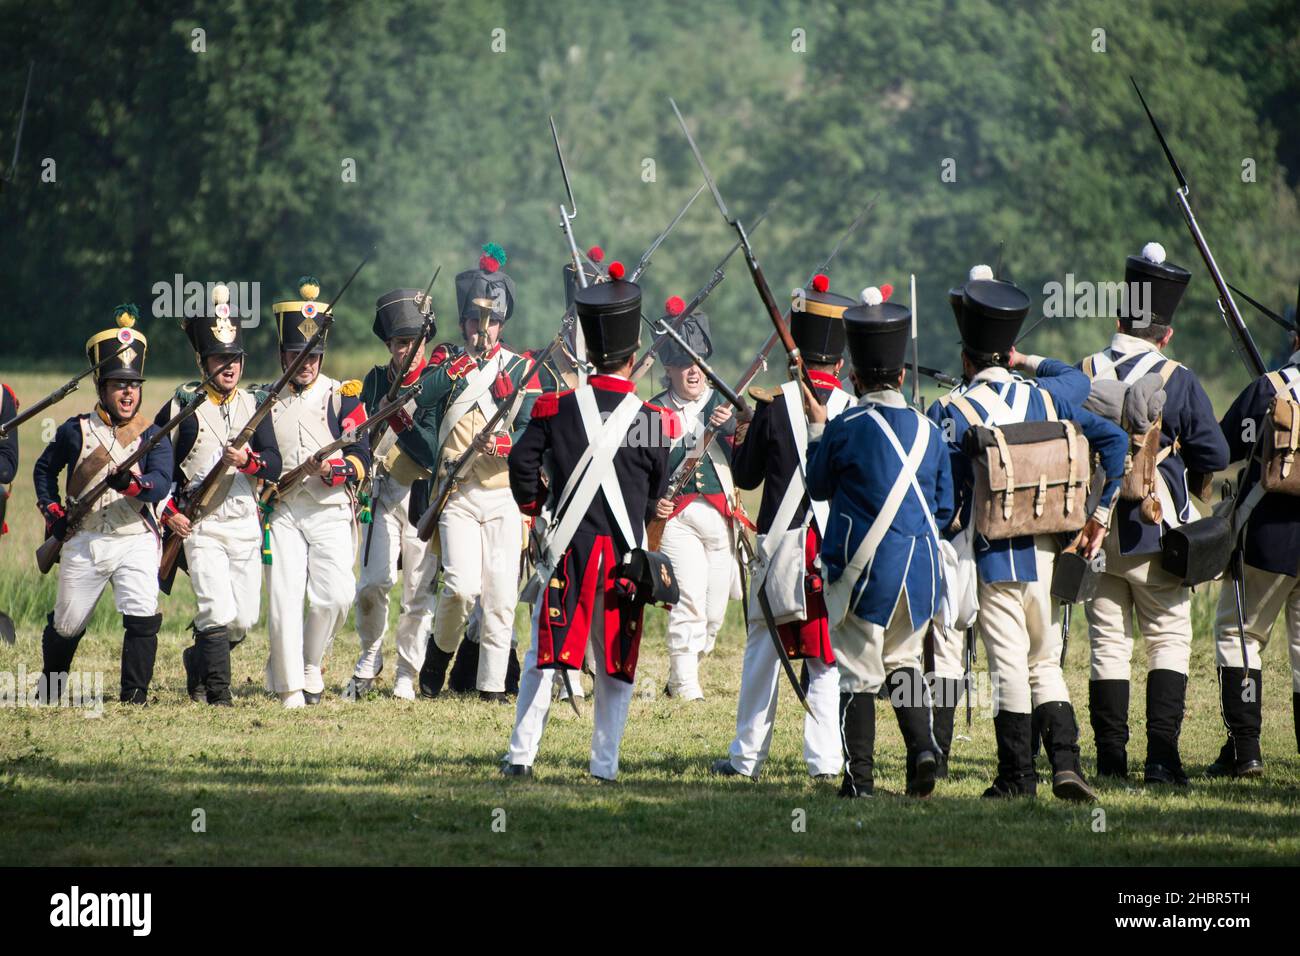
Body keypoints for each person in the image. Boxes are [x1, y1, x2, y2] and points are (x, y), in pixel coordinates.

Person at [928, 276, 1126, 801]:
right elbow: (1077, 380)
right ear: (1005, 351)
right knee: (1045, 659)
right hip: (1045, 551)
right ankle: (1067, 764)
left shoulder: (949, 411)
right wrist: (1025, 359)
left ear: (966, 358)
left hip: (990, 557)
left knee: (1009, 664)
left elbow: (945, 501)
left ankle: (1017, 776)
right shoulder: (1043, 397)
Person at [503, 268, 677, 780]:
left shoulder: (556, 408)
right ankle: (604, 765)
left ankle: (520, 757)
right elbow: (656, 489)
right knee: (616, 664)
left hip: (569, 550)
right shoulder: (651, 419)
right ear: (633, 356)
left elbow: (520, 465)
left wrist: (538, 509)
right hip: (623, 557)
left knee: (545, 654)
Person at [1078, 243, 1230, 785]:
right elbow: (1214, 454)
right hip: (1154, 525)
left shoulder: (1086, 369)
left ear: (1119, 317)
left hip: (1096, 532)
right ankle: (1162, 760)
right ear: (1165, 333)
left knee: (1108, 644)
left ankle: (1111, 763)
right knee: (1167, 637)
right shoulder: (1179, 378)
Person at [805, 286, 954, 797]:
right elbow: (944, 506)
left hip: (864, 573)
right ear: (901, 374)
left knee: (856, 672)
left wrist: (817, 430)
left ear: (855, 374)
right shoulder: (929, 430)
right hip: (919, 571)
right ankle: (923, 752)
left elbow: (819, 487)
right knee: (904, 663)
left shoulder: (845, 427)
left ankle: (860, 780)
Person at [710, 274, 853, 782]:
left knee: (763, 648)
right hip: (830, 550)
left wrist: (742, 434)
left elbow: (746, 476)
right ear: (839, 360)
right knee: (823, 656)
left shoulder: (773, 408)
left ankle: (746, 758)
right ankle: (825, 762)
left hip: (779, 547)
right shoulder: (854, 412)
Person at [403, 244, 534, 702]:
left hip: (503, 496)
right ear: (463, 324)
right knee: (460, 588)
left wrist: (502, 445)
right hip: (456, 491)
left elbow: (530, 431)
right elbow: (423, 398)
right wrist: (460, 364)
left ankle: (492, 687)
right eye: (476, 321)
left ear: (501, 323)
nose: (483, 329)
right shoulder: (447, 360)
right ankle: (438, 655)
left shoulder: (519, 369)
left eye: (491, 321)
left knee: (500, 598)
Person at [33, 305, 172, 704]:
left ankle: (135, 696)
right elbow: (44, 471)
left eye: (133, 385)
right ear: (100, 386)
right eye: (118, 384)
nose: (128, 393)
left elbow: (160, 484)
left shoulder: (152, 434)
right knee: (67, 624)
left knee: (143, 613)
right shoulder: (74, 431)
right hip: (87, 537)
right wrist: (52, 510)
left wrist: (133, 485)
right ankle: (51, 688)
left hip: (134, 537)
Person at [159, 284, 282, 706]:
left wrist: (248, 462)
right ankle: (218, 694)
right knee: (214, 610)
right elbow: (157, 467)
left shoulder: (255, 404)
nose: (229, 366)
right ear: (203, 361)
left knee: (244, 619)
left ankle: (199, 662)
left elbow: (275, 462)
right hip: (202, 525)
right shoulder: (183, 405)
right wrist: (167, 511)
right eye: (219, 358)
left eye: (234, 359)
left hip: (245, 523)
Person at [263, 276, 369, 708]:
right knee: (284, 597)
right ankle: (290, 685)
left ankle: (310, 659)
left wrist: (334, 468)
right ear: (283, 354)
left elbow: (362, 455)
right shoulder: (265, 401)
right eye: (297, 353)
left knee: (338, 596)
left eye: (313, 354)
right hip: (286, 509)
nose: (305, 362)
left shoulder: (343, 395)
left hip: (329, 508)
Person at [346, 287, 448, 701]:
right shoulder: (374, 380)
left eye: (412, 342)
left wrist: (402, 419)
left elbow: (431, 448)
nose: (405, 350)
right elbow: (357, 434)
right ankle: (371, 653)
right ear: (389, 344)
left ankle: (408, 670)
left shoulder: (436, 384)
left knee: (418, 594)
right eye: (398, 343)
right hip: (383, 491)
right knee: (372, 584)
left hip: (422, 493)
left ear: (424, 342)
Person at [1210, 320, 1300, 777]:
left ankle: (1245, 748)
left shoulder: (1271, 387)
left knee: (1238, 636)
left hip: (1269, 541)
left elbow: (1220, 449)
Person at [649, 301, 742, 700]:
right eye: (684, 363)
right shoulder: (651, 412)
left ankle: (679, 674)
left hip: (721, 520)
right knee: (688, 602)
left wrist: (735, 427)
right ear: (668, 368)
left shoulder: (725, 407)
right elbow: (639, 470)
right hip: (676, 519)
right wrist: (654, 502)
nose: (693, 370)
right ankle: (687, 684)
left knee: (714, 614)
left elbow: (750, 464)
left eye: (699, 361)